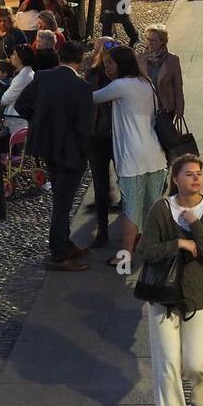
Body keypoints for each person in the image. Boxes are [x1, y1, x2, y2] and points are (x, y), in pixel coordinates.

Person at [137, 154, 203, 406]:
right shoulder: (160, 210)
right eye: (188, 174)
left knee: (197, 362)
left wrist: (195, 226)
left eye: (198, 173)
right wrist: (178, 243)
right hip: (164, 296)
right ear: (175, 179)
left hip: (200, 294)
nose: (196, 178)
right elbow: (145, 251)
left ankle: (199, 381)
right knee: (167, 362)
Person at [15, 41, 94, 271]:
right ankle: (59, 253)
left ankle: (64, 244)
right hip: (70, 151)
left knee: (61, 198)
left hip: (47, 146)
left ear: (60, 57)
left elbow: (21, 105)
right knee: (62, 202)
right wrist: (85, 154)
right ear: (80, 61)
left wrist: (39, 122)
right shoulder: (82, 87)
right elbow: (83, 127)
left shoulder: (42, 77)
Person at [92, 47, 169, 267]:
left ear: (121, 64)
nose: (106, 68)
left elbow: (92, 98)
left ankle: (124, 255)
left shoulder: (120, 86)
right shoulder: (146, 84)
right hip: (155, 155)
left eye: (109, 64)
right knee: (152, 209)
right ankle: (155, 252)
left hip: (132, 157)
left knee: (131, 210)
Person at [86, 37, 121, 249]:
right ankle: (102, 227)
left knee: (125, 180)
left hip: (118, 135)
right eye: (105, 59)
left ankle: (130, 225)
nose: (108, 64)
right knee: (100, 184)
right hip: (96, 135)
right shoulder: (92, 74)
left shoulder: (124, 79)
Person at [138, 27, 184, 120]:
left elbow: (178, 86)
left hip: (165, 108)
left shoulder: (172, 60)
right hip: (145, 108)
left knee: (164, 133)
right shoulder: (140, 57)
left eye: (154, 40)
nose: (150, 43)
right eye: (148, 39)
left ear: (162, 41)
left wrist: (179, 108)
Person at [0, 45, 36, 134]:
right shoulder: (28, 73)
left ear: (21, 59)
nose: (11, 56)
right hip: (19, 118)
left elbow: (4, 100)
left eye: (14, 54)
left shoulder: (22, 78)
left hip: (17, 121)